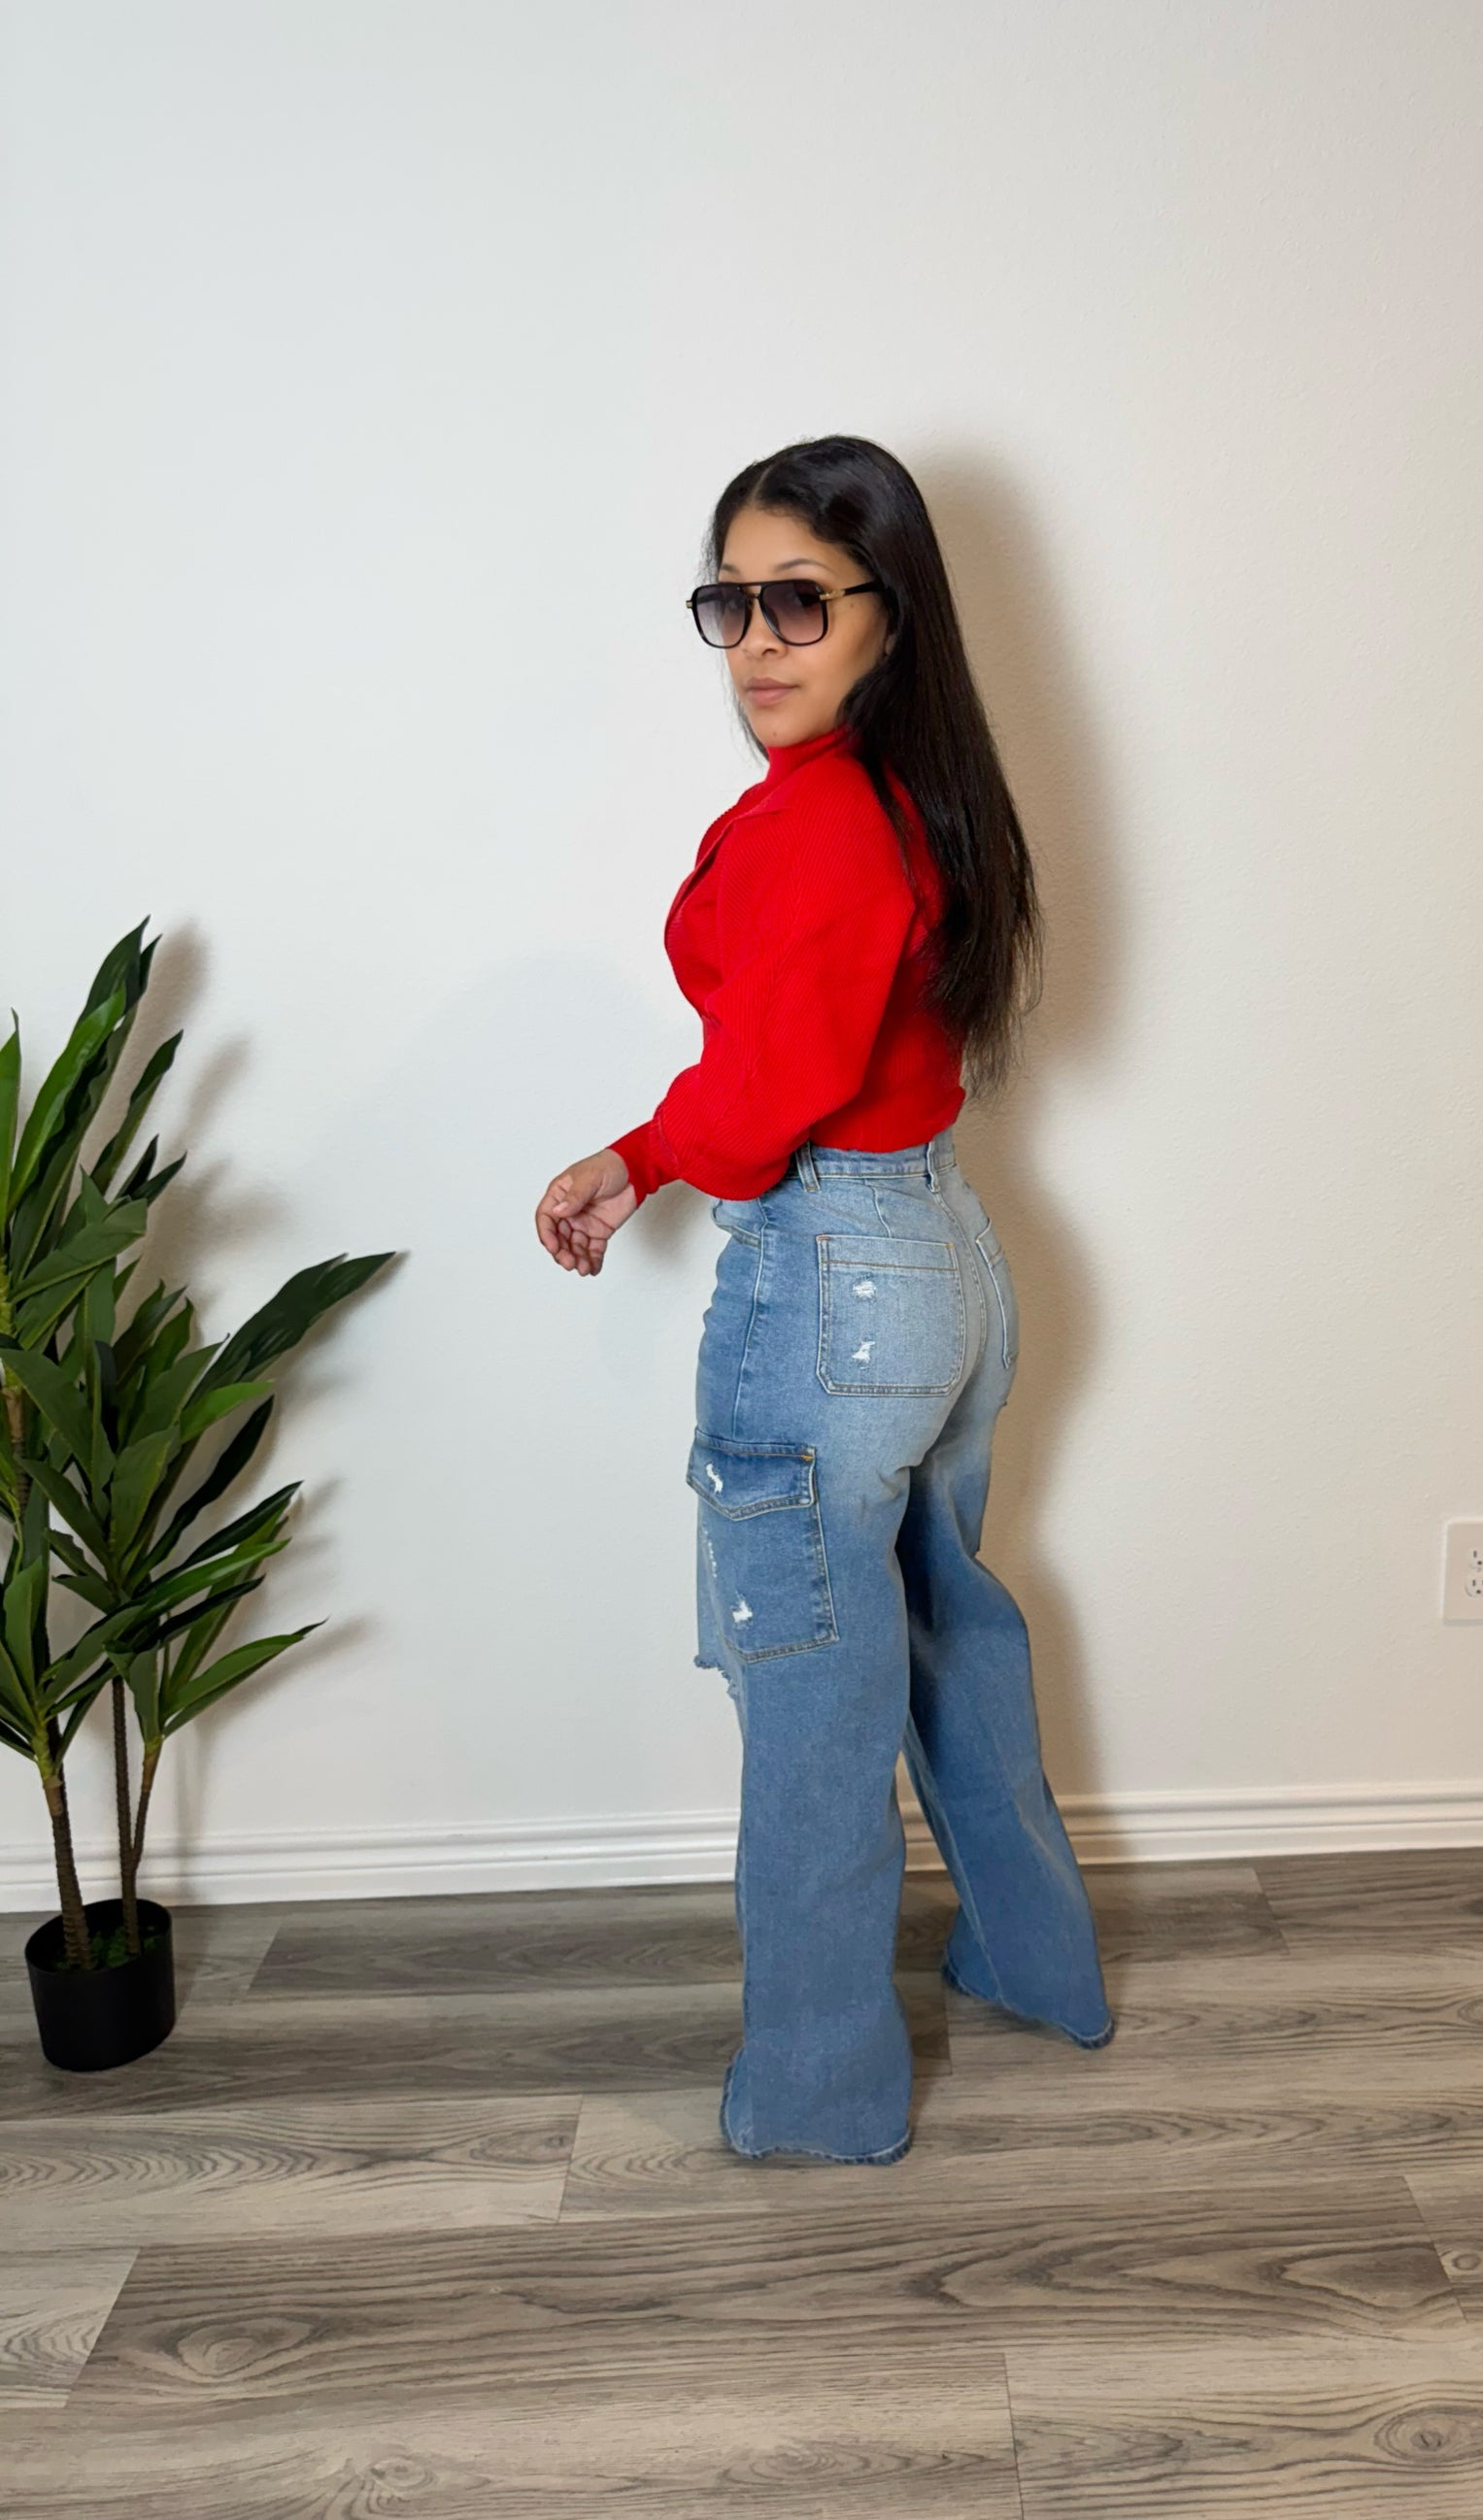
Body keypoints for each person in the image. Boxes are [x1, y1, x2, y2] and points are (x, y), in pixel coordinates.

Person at [533, 435, 1113, 2166]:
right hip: (944, 1260)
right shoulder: (918, 800)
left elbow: (771, 1085)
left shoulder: (822, 821)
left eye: (801, 600)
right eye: (732, 604)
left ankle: (818, 2096)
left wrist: (652, 1154)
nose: (758, 643)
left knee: (809, 1702)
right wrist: (654, 1151)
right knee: (944, 1630)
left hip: (834, 1290)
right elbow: (814, 1053)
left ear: (887, 612)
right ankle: (1035, 1965)